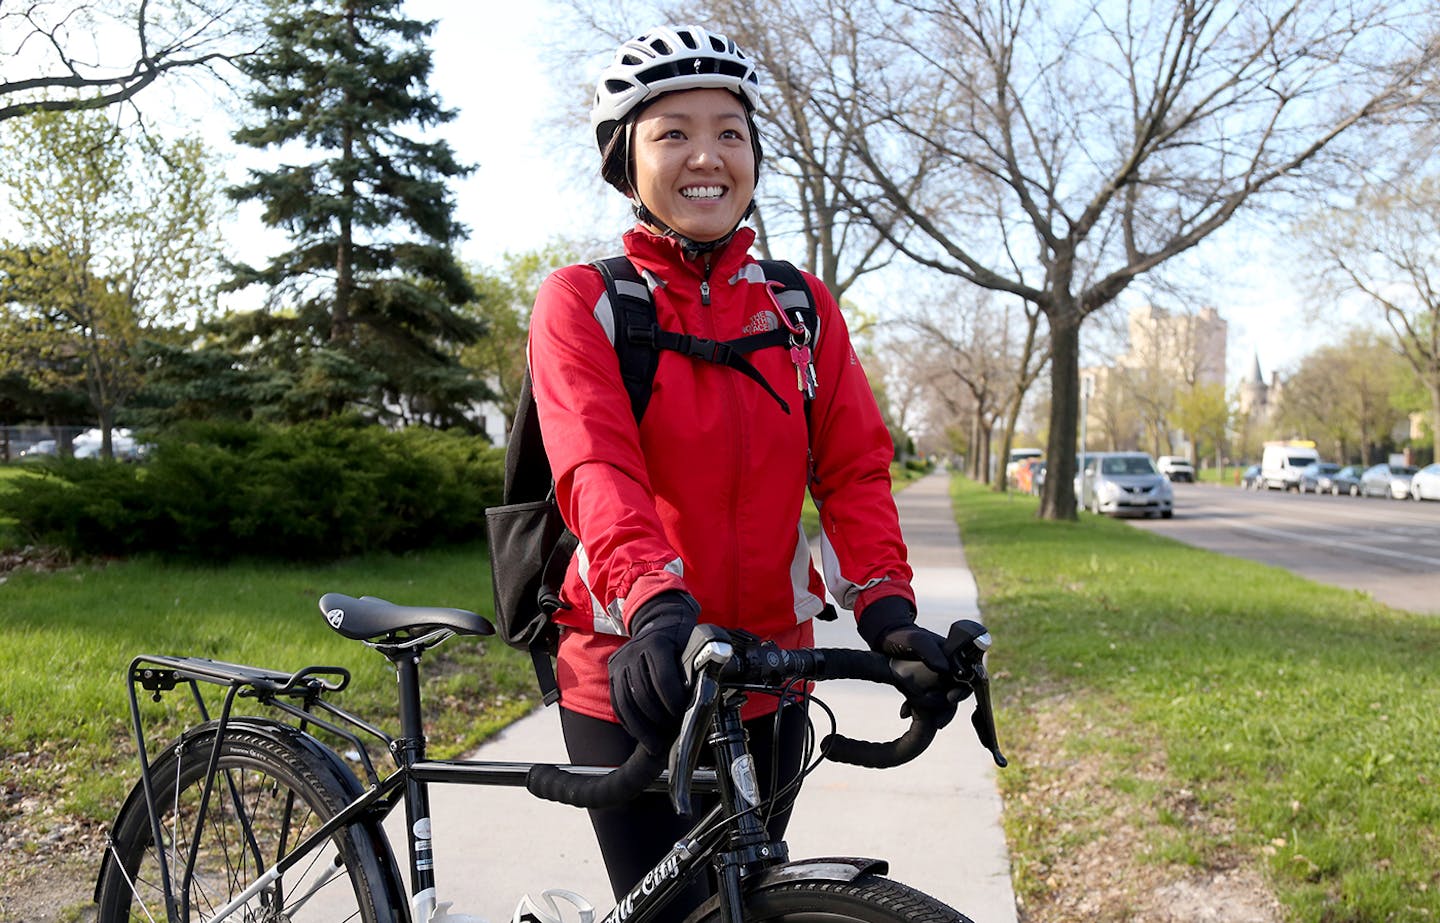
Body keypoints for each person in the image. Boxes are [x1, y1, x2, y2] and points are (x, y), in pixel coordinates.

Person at [526, 24, 949, 919]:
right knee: (675, 910)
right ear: (625, 160)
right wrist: (654, 601)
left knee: (750, 897)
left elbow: (856, 470)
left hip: (768, 668)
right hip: (635, 664)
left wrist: (890, 613)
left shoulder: (800, 307)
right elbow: (595, 464)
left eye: (729, 131)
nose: (705, 155)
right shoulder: (584, 302)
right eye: (671, 132)